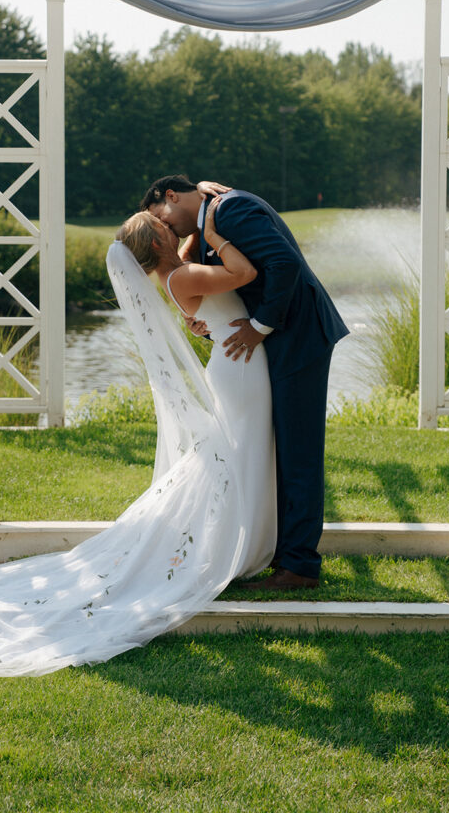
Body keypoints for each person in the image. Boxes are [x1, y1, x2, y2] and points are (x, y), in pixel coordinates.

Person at [0, 207, 275, 677]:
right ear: (158, 243)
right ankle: (239, 542)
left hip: (236, 362)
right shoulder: (184, 274)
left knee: (234, 454)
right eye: (168, 228)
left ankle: (240, 539)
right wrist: (210, 229)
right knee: (236, 453)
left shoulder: (177, 274)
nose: (177, 230)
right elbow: (244, 272)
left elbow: (196, 271)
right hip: (240, 366)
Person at [142, 174, 349, 592]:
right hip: (276, 342)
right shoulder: (211, 217)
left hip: (299, 336)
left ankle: (300, 565)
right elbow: (198, 273)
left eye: (160, 218)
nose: (163, 228)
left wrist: (259, 326)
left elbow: (285, 264)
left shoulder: (230, 209)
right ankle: (279, 550)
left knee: (298, 451)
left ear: (169, 196)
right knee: (279, 448)